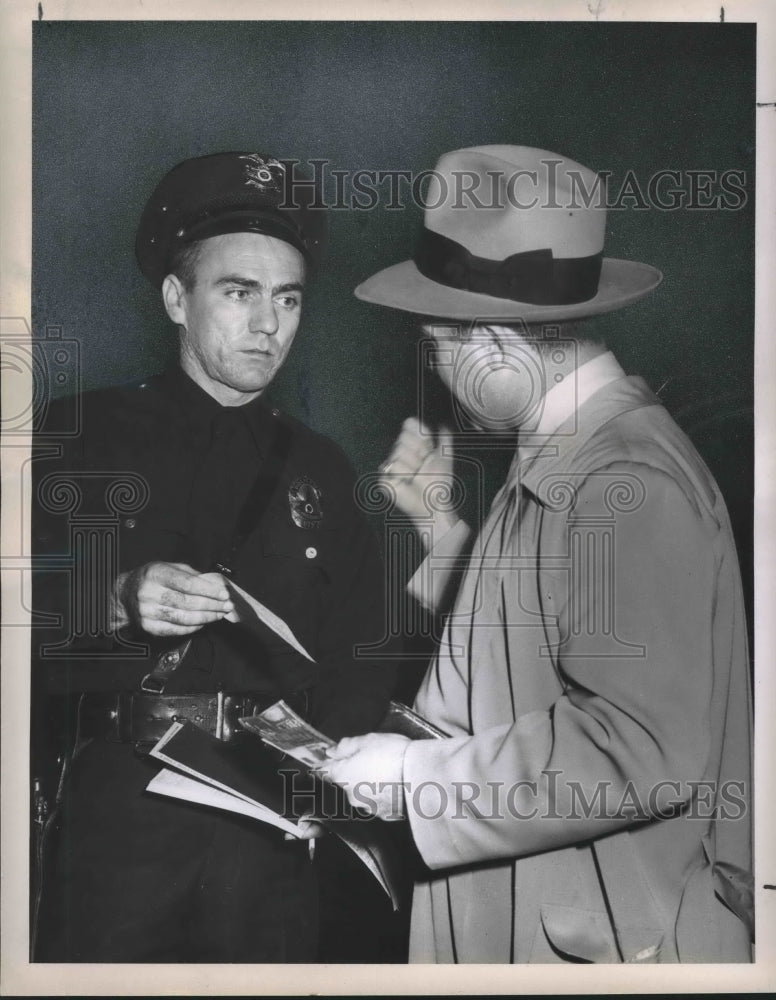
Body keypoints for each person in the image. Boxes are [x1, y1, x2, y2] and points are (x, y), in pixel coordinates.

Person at [321, 145, 753, 963]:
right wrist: (444, 535)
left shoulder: (625, 481)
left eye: (438, 347)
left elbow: (636, 746)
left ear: (492, 340)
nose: (439, 372)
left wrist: (415, 778)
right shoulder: (576, 459)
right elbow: (543, 651)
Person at [31, 151, 397, 962]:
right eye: (239, 292)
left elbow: (364, 653)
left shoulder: (324, 470)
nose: (269, 324)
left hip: (274, 831)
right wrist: (114, 598)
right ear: (176, 299)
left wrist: (321, 778)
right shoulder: (80, 434)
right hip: (119, 823)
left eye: (288, 298)